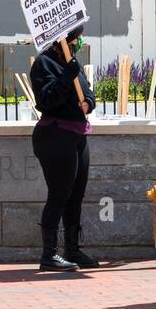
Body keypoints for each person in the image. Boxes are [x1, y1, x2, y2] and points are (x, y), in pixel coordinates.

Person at [29, 25, 98, 272]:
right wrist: (65, 78)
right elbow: (46, 99)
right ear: (61, 41)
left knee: (76, 195)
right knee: (59, 194)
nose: (79, 42)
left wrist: (88, 103)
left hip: (78, 135)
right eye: (76, 38)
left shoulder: (74, 63)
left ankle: (72, 249)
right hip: (55, 135)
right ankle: (49, 254)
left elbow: (88, 92)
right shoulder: (43, 64)